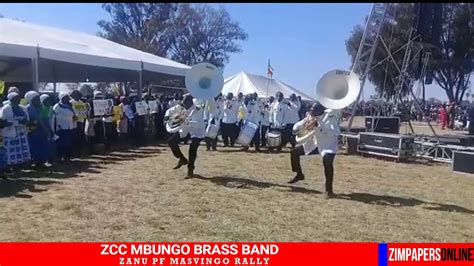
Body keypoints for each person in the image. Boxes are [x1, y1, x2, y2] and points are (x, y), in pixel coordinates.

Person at [287, 102, 339, 199]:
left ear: (320, 110)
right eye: (311, 109)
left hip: (328, 146)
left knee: (327, 162)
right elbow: (301, 123)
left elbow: (335, 132)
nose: (311, 111)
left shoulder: (330, 118)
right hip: (314, 144)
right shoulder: (311, 116)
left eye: (313, 109)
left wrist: (319, 127)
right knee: (294, 152)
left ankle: (329, 191)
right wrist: (296, 128)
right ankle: (299, 174)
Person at [165, 94, 205, 177]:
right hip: (185, 129)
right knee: (171, 141)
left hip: (197, 132)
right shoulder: (181, 106)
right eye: (183, 104)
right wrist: (167, 117)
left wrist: (187, 122)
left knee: (192, 149)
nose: (184, 106)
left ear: (191, 103)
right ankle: (182, 159)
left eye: (186, 104)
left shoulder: (198, 109)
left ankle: (190, 170)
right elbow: (170, 110)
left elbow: (198, 123)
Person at [1, 92, 31, 168]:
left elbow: (27, 119)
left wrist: (25, 122)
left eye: (18, 98)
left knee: (21, 149)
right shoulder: (6, 108)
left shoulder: (23, 108)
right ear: (10, 99)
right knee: (11, 150)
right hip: (10, 132)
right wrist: (18, 122)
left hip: (21, 132)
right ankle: (9, 165)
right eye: (15, 98)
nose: (18, 100)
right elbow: (6, 122)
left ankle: (20, 163)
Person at [25, 91, 49, 168]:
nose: (38, 101)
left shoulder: (41, 107)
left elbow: (45, 119)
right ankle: (34, 161)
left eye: (38, 99)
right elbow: (34, 120)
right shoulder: (29, 108)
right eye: (36, 99)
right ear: (31, 100)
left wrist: (47, 129)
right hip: (33, 130)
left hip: (41, 130)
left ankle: (41, 161)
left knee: (42, 145)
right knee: (34, 146)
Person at [53, 92, 75, 163]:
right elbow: (54, 118)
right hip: (61, 128)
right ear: (61, 98)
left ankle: (67, 157)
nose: (67, 99)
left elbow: (73, 115)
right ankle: (59, 158)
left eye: (68, 97)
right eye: (65, 97)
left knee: (68, 143)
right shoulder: (57, 106)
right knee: (61, 144)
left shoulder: (69, 106)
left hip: (69, 127)